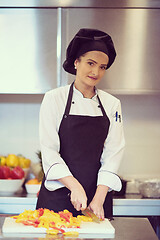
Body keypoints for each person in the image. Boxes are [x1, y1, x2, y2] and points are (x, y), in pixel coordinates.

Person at [36, 28, 125, 220]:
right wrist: (75, 186)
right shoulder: (54, 99)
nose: (96, 72)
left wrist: (100, 196)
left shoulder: (112, 104)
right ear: (76, 62)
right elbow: (50, 151)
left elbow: (113, 153)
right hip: (57, 198)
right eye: (90, 63)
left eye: (102, 67)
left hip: (96, 199)